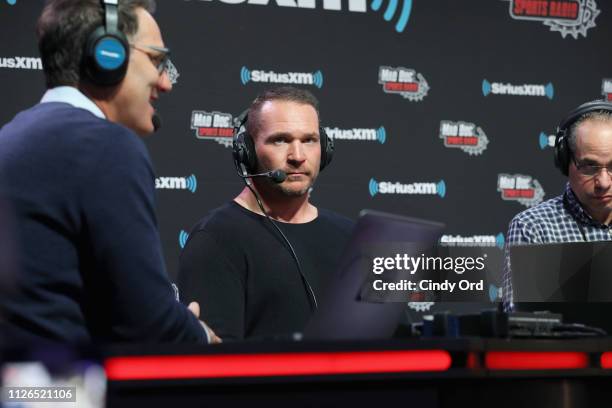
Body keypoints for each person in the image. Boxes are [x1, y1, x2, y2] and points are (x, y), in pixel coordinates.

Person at [0, 0, 219, 344]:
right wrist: (200, 337)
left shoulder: (11, 136)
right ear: (107, 54)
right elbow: (146, 319)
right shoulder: (105, 145)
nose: (166, 83)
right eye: (156, 60)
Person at [177, 86, 355, 340]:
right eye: (280, 140)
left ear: (325, 149)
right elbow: (216, 365)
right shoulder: (215, 240)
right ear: (246, 152)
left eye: (309, 140)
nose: (297, 156)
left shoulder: (353, 236)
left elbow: (400, 337)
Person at [502, 100, 612, 309]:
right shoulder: (533, 227)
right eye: (589, 167)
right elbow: (520, 323)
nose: (604, 182)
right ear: (564, 162)